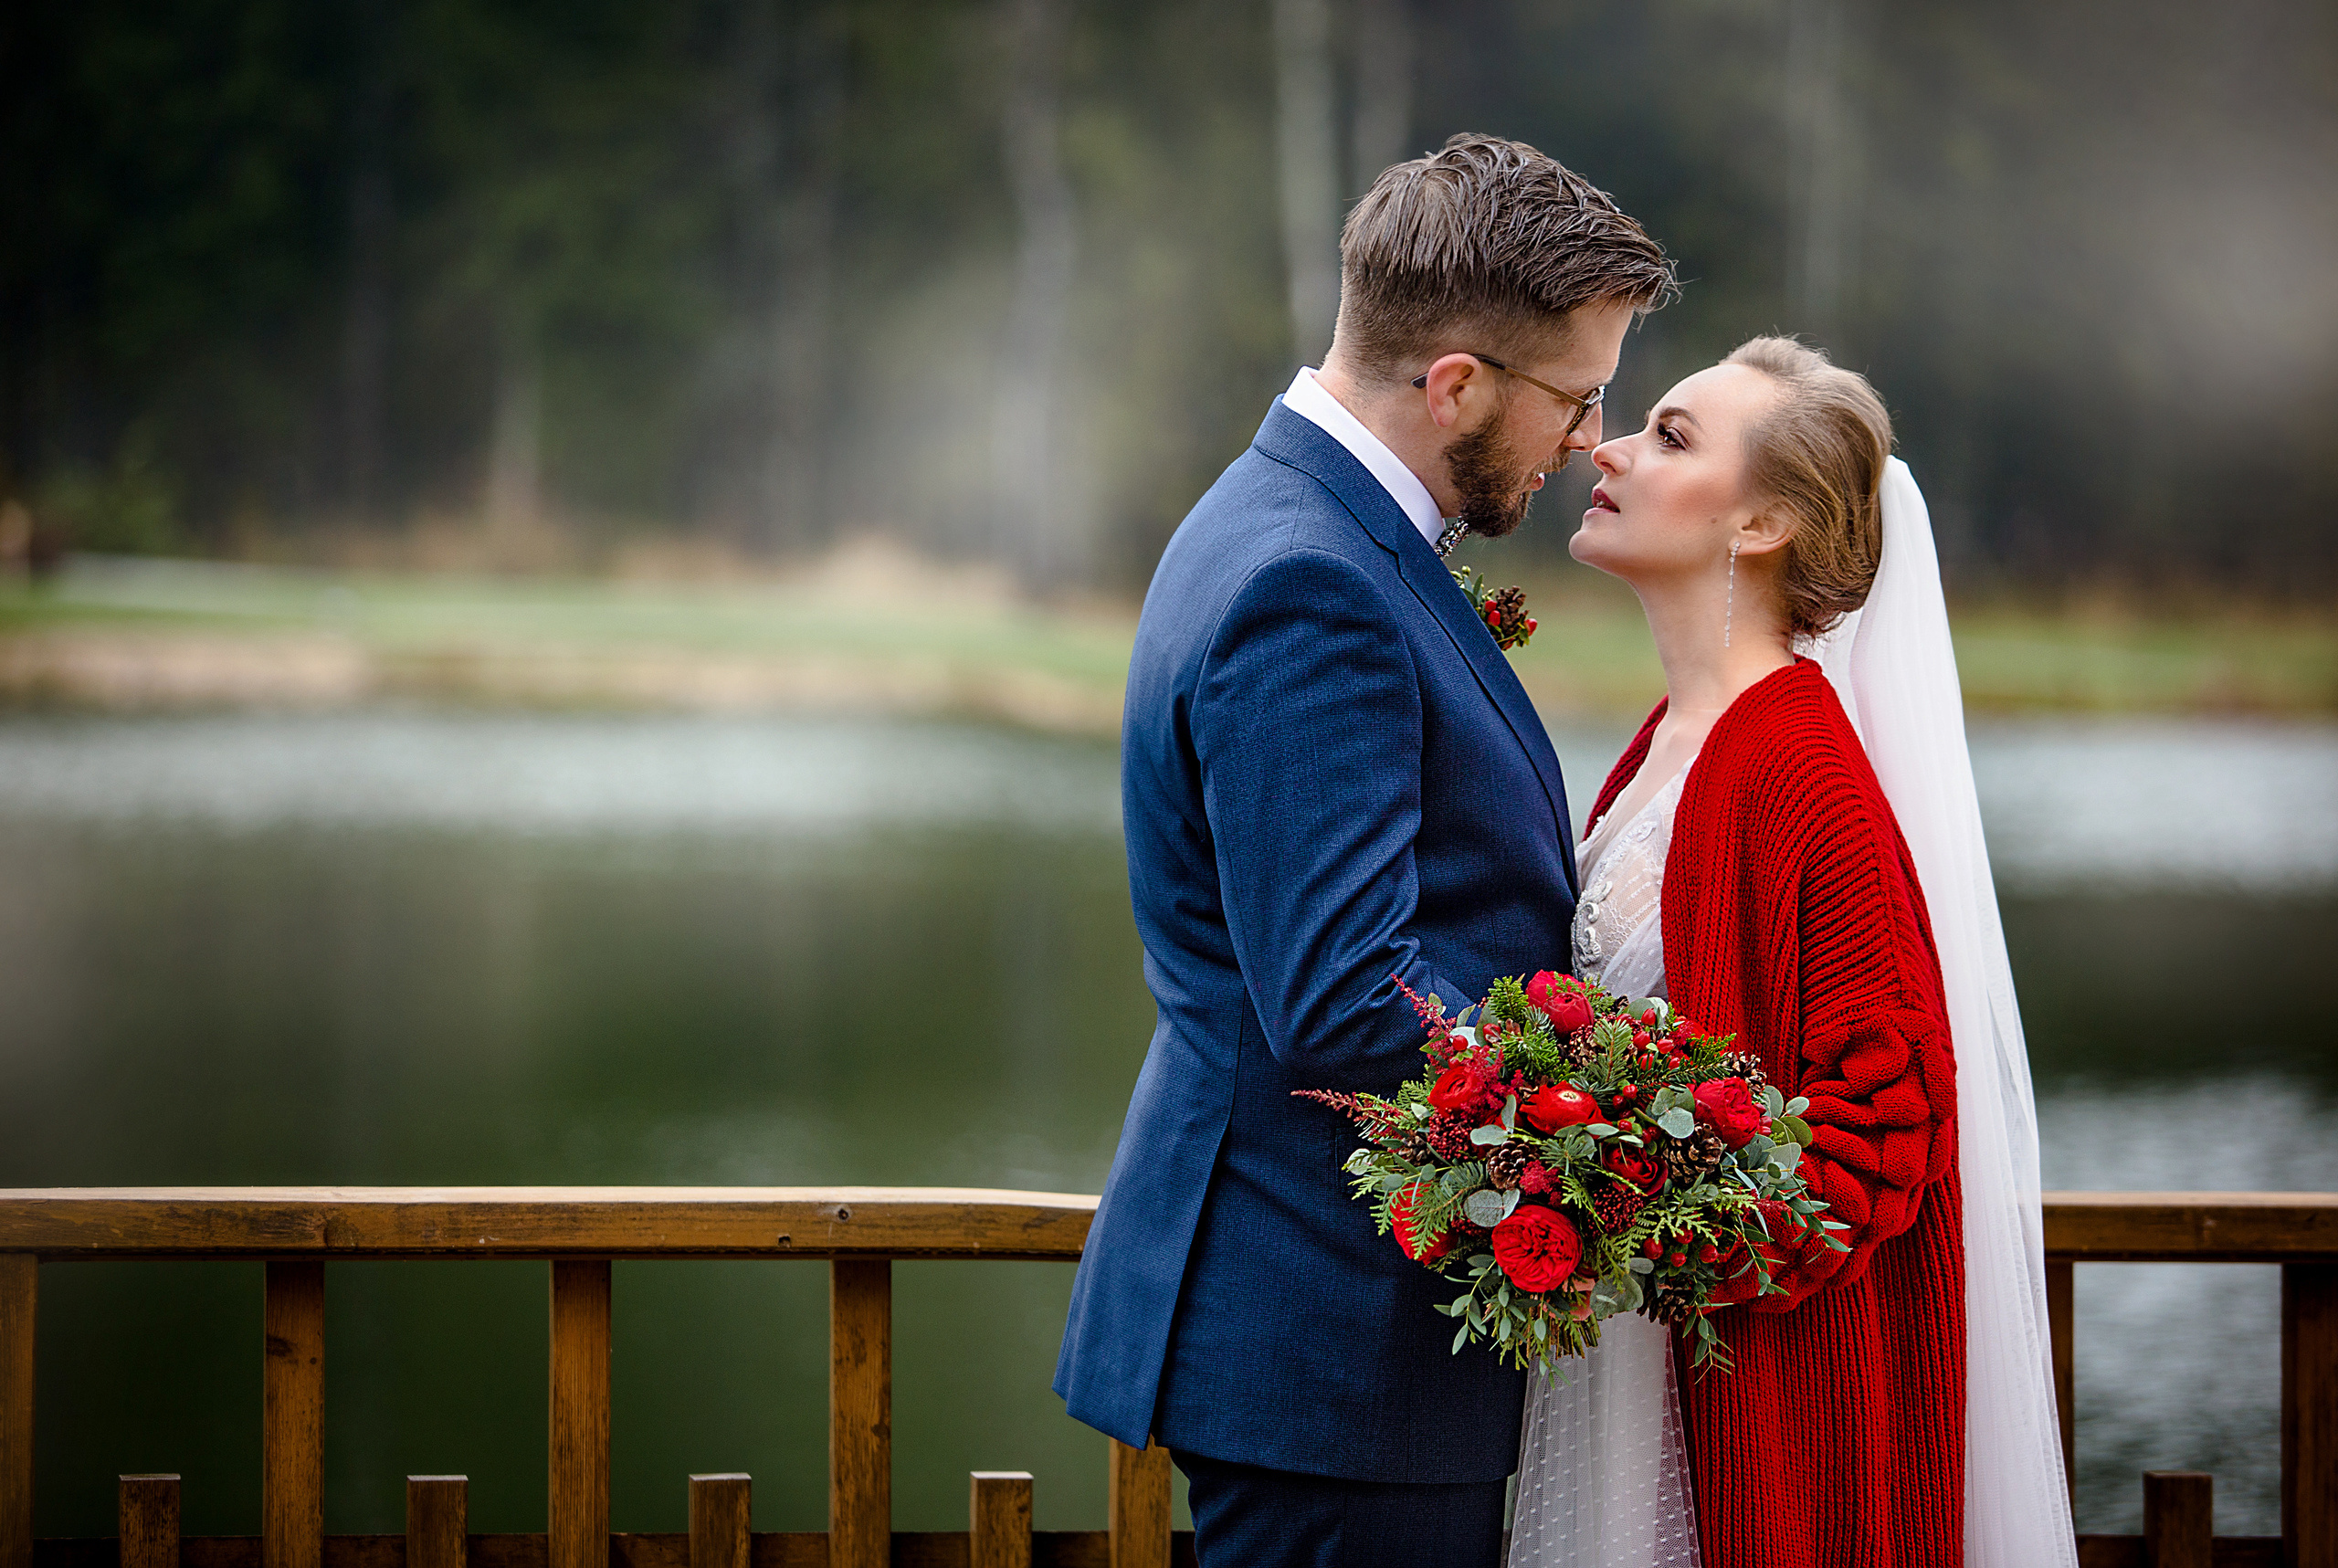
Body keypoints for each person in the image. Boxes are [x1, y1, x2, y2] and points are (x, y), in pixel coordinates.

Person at [1053, 134, 1676, 1567]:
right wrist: (1621, 1121)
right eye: (1579, 396)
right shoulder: (1308, 580)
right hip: (1333, 1354)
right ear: (1454, 381)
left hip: (1325, 1345)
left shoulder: (1306, 525)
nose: (1590, 437)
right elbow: (1344, 995)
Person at [1509, 336, 2076, 1568]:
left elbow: (1885, 1124)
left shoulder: (1804, 774)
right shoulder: (1673, 739)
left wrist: (1650, 1220)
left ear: (1761, 518)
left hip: (1736, 1389)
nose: (1604, 447)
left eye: (1668, 435)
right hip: (1625, 1358)